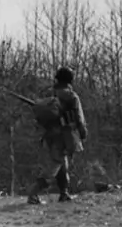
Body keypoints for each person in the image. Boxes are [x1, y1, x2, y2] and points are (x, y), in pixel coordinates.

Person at [26, 67, 88, 204]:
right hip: (64, 135)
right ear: (70, 80)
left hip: (50, 134)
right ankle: (33, 193)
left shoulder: (52, 93)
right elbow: (79, 118)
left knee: (63, 164)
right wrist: (83, 133)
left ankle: (64, 193)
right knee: (55, 165)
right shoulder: (72, 96)